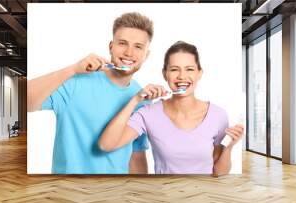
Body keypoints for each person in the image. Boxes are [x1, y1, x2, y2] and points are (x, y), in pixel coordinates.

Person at [27, 12, 154, 174]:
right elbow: (26, 101)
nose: (129, 52)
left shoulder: (142, 99)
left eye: (138, 46)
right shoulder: (76, 82)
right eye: (122, 43)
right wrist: (72, 69)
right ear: (111, 47)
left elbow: (136, 155)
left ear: (146, 55)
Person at [98, 41, 244, 176]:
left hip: (204, 197)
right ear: (165, 74)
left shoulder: (218, 115)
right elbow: (106, 145)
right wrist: (136, 99)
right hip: (165, 197)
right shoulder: (148, 114)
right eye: (174, 69)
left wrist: (229, 147)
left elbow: (219, 172)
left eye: (189, 69)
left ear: (199, 73)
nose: (182, 76)